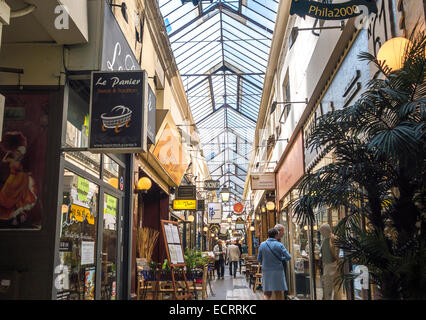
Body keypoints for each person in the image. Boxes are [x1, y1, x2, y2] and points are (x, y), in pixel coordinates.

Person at [258, 228, 291, 300]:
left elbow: (259, 259)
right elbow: (288, 257)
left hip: (266, 271)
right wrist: (281, 259)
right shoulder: (279, 245)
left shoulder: (262, 245)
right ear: (276, 235)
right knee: (278, 292)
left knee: (267, 293)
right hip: (278, 271)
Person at [319, 223, 341, 300]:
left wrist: (337, 263)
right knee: (327, 287)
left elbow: (338, 253)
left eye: (322, 231)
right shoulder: (325, 240)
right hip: (326, 266)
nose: (321, 233)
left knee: (335, 287)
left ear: (326, 230)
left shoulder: (334, 239)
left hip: (333, 265)